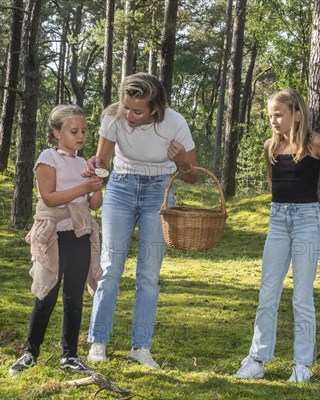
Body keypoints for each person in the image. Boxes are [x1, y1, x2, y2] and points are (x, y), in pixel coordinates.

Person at [83, 73, 198, 369]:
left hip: (159, 191)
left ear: (155, 109)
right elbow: (103, 164)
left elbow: (193, 175)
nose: (130, 116)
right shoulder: (113, 117)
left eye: (138, 111)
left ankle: (141, 348)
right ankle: (98, 342)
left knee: (148, 274)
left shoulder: (174, 123)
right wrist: (96, 168)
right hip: (121, 187)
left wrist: (183, 159)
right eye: (127, 107)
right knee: (110, 267)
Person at [233, 88, 320, 382]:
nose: (273, 120)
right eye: (270, 115)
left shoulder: (315, 143)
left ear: (297, 115)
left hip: (308, 222)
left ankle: (302, 365)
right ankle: (257, 360)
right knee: (267, 293)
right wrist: (283, 208)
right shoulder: (270, 146)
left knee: (302, 297)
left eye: (278, 115)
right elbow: (274, 183)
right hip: (278, 222)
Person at [9, 105, 103, 377]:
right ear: (56, 133)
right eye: (74, 131)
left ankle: (70, 356)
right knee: (46, 294)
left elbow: (94, 205)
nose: (81, 136)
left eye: (84, 131)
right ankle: (30, 353)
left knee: (74, 297)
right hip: (53, 235)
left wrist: (97, 185)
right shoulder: (48, 158)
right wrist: (84, 187)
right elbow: (49, 197)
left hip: (80, 234)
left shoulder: (82, 164)